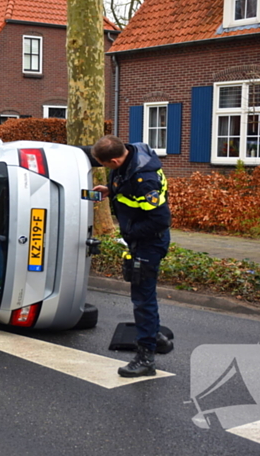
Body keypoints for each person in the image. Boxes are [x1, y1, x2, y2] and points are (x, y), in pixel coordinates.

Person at [92, 135, 173, 378]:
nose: (107, 170)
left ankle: (146, 358)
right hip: (141, 240)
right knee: (142, 294)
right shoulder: (130, 158)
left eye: (105, 166)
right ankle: (155, 336)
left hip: (149, 242)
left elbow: (161, 220)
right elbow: (127, 187)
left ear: (115, 161)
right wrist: (111, 190)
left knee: (142, 299)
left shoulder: (144, 181)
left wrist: (131, 234)